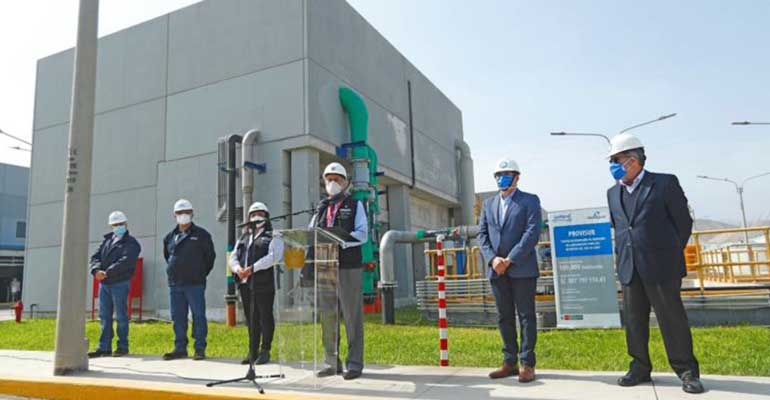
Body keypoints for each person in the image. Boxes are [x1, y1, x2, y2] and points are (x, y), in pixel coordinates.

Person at [606, 133, 704, 394]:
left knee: (672, 320)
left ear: (633, 159)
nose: (613, 165)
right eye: (611, 161)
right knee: (634, 321)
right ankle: (639, 366)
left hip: (662, 267)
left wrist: (669, 252)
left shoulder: (664, 183)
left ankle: (686, 371)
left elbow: (683, 222)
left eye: (617, 159)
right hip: (630, 268)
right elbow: (621, 227)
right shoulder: (612, 193)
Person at [477, 158, 541, 383]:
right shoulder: (488, 204)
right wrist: (493, 259)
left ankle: (527, 364)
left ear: (517, 177)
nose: (501, 178)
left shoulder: (529, 201)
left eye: (506, 174)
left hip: (522, 269)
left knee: (526, 317)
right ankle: (509, 362)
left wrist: (510, 259)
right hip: (496, 270)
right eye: (498, 174)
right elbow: (482, 234)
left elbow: (532, 233)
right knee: (504, 316)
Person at [309, 162, 368, 380]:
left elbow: (363, 234)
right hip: (325, 266)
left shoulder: (355, 205)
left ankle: (354, 363)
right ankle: (331, 362)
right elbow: (310, 232)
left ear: (345, 182)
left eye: (337, 179)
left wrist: (341, 241)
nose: (332, 183)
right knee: (328, 317)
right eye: (329, 179)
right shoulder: (321, 207)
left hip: (348, 266)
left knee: (352, 317)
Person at [229, 201, 284, 365]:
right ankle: (252, 351)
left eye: (260, 213)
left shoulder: (274, 235)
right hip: (245, 284)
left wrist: (253, 268)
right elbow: (233, 256)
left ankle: (265, 350)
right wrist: (238, 268)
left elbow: (274, 256)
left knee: (265, 317)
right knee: (251, 318)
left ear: (266, 217)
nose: (256, 217)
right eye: (253, 214)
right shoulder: (244, 237)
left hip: (263, 283)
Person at [162, 199, 216, 361]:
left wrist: (199, 273)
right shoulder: (169, 237)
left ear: (192, 213)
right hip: (175, 283)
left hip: (195, 283)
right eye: (179, 213)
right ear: (174, 215)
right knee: (178, 316)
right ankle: (180, 348)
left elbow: (210, 258)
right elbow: (168, 257)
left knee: (198, 315)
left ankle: (199, 348)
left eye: (186, 212)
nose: (183, 216)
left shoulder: (202, 235)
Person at [87, 211, 141, 358]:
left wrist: (107, 272)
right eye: (115, 225)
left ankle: (122, 346)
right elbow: (95, 257)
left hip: (120, 283)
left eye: (120, 224)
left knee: (121, 316)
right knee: (104, 316)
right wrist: (96, 270)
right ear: (111, 226)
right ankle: (104, 347)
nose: (118, 227)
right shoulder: (107, 241)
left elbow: (126, 261)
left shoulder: (132, 243)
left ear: (126, 224)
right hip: (105, 284)